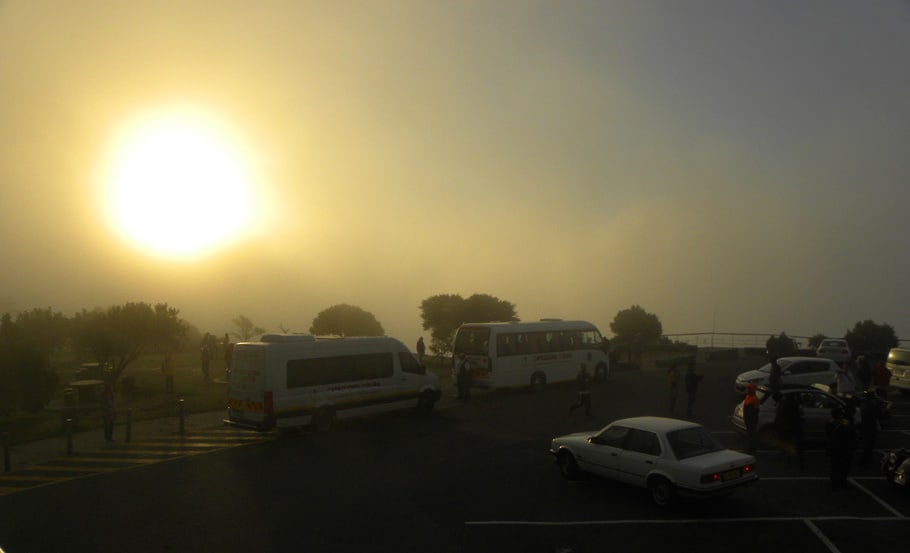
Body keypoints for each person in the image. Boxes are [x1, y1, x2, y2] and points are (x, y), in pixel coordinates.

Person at [826, 406, 855, 491]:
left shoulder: (830, 424)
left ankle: (835, 484)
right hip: (843, 450)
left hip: (834, 450)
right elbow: (850, 436)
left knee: (835, 467)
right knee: (843, 468)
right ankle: (841, 483)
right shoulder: (843, 426)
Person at [774, 391, 804, 469]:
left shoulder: (782, 405)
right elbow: (799, 417)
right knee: (799, 446)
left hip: (786, 428)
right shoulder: (794, 405)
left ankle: (789, 463)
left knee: (788, 445)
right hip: (794, 428)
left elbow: (779, 417)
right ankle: (800, 463)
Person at [859, 389, 883, 467]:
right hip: (870, 427)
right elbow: (879, 414)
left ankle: (866, 459)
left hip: (865, 426)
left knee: (867, 444)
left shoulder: (864, 404)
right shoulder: (871, 405)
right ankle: (865, 460)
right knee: (869, 445)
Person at [742, 383, 761, 454]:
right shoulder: (748, 397)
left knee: (752, 435)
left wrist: (752, 420)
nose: (747, 390)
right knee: (750, 435)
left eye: (749, 389)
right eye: (748, 388)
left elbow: (756, 411)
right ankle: (750, 448)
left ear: (752, 390)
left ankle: (752, 450)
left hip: (751, 420)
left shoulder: (754, 399)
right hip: (748, 419)